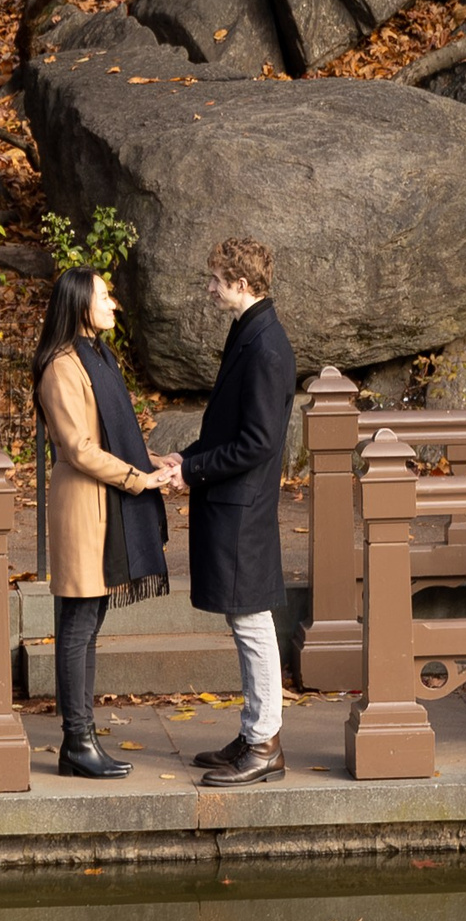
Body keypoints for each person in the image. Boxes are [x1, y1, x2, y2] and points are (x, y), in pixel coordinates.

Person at [34, 267, 180, 780]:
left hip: (105, 502)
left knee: (89, 623)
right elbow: (77, 448)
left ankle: (84, 738)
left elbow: (113, 435)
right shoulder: (61, 367)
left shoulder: (97, 356)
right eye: (104, 296)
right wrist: (137, 479)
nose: (114, 304)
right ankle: (77, 743)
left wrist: (151, 462)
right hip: (84, 507)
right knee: (78, 625)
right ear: (79, 306)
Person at [178, 237, 294, 786]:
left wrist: (194, 471)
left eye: (217, 280)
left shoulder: (267, 346)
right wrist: (189, 457)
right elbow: (230, 428)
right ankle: (254, 732)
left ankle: (265, 742)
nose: (210, 287)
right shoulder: (251, 331)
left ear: (242, 285)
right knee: (244, 619)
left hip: (243, 504)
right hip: (234, 501)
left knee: (252, 622)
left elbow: (259, 443)